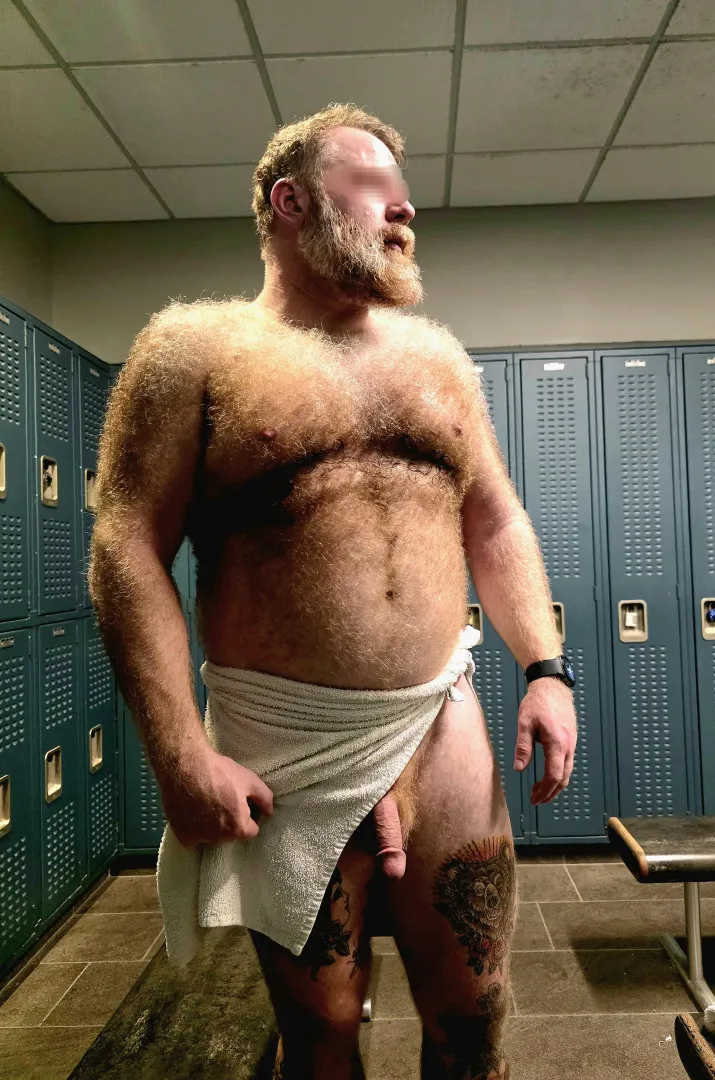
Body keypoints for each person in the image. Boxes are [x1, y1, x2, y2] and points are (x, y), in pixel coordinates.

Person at [89, 103, 577, 1080]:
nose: (404, 209)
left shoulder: (435, 361)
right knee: (322, 1032)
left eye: (407, 194)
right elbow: (128, 546)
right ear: (292, 203)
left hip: (441, 719)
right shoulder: (196, 353)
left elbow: (497, 521)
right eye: (375, 185)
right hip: (290, 744)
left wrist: (546, 667)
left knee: (474, 1016)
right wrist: (181, 756)